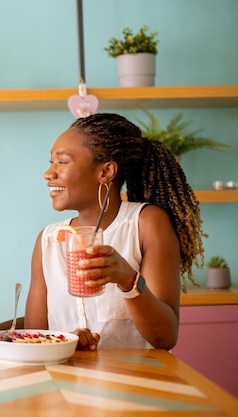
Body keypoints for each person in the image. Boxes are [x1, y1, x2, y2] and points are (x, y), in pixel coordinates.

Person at [24, 113, 205, 351]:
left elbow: (165, 337)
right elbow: (34, 340)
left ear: (106, 172)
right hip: (67, 382)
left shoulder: (146, 224)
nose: (49, 174)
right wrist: (66, 343)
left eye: (63, 162)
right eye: (51, 163)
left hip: (137, 382)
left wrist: (128, 280)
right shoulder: (48, 241)